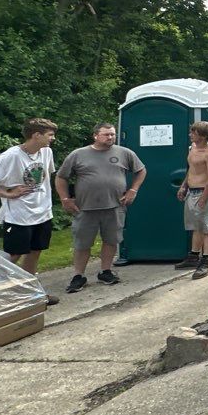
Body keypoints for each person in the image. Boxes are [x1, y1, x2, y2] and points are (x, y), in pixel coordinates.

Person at [0, 118, 61, 304]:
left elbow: (44, 177)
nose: (53, 138)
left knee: (35, 251)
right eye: (50, 135)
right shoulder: (11, 156)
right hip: (19, 216)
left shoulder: (46, 152)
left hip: (42, 213)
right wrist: (6, 193)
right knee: (14, 254)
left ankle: (30, 290)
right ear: (36, 135)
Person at [55, 123, 146, 294]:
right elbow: (61, 177)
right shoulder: (78, 155)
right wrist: (65, 198)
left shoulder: (124, 153)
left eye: (113, 134)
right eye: (106, 134)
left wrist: (133, 190)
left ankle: (106, 271)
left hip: (115, 206)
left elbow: (141, 171)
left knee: (111, 240)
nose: (110, 137)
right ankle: (78, 275)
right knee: (82, 243)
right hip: (85, 207)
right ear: (95, 135)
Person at [175, 120, 208, 280]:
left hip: (204, 192)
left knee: (207, 226)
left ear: (204, 135)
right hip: (191, 190)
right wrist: (183, 186)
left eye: (194, 132)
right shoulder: (192, 148)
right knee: (196, 225)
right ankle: (194, 256)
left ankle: (206, 260)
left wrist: (204, 198)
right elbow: (192, 170)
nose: (190, 134)